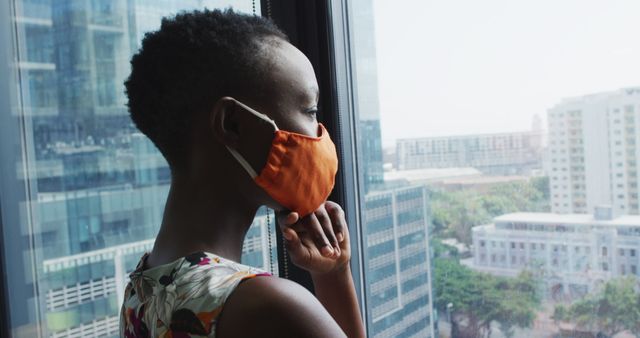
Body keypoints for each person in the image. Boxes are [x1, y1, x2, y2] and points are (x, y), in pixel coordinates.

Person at [119, 8, 365, 338]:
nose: (320, 133)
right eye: (309, 111)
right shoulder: (269, 306)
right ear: (232, 124)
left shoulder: (144, 289)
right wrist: (335, 278)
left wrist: (333, 272)